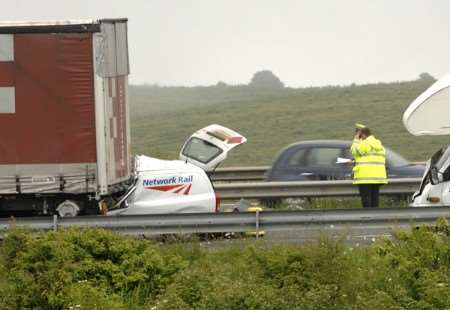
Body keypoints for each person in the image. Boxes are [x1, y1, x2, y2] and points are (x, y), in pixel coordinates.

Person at [351, 123, 387, 208]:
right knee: (375, 201)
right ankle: (375, 219)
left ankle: (369, 219)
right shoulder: (378, 144)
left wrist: (356, 139)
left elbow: (354, 151)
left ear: (362, 134)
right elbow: (369, 157)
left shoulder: (365, 143)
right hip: (377, 177)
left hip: (365, 177)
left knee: (366, 201)